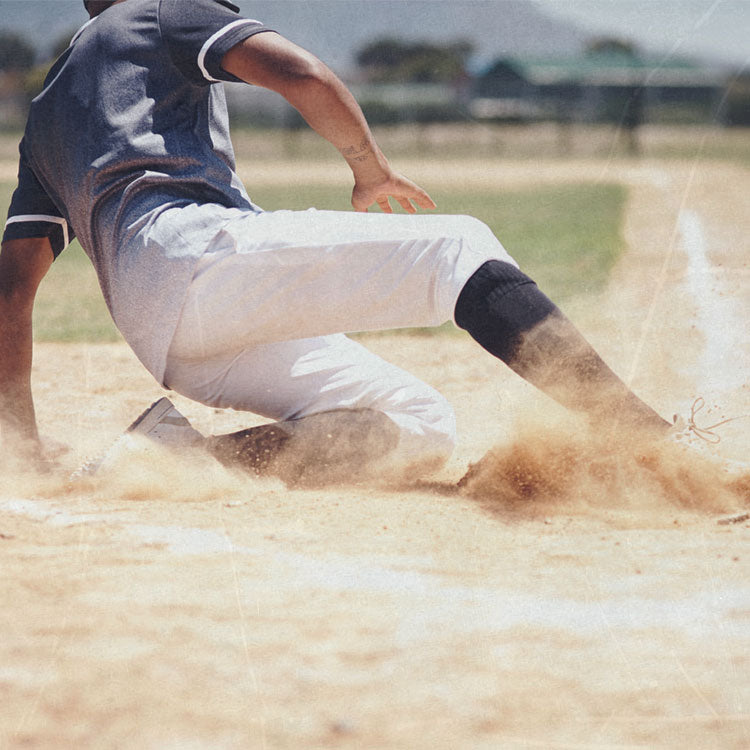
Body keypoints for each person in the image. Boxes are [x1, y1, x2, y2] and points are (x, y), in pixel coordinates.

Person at [0, 0, 670, 485]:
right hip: (195, 261)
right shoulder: (155, 13)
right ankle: (645, 440)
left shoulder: (46, 114)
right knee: (458, 247)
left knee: (417, 421)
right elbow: (302, 74)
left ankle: (173, 456)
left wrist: (23, 446)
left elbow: (12, 291)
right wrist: (369, 170)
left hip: (165, 337)